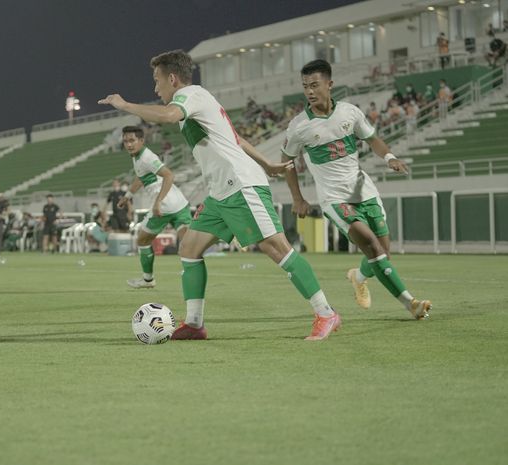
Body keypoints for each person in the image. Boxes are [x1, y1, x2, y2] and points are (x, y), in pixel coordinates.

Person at [99, 50, 341, 341]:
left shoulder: (191, 96)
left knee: (276, 248)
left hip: (241, 185)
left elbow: (167, 115)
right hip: (219, 193)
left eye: (157, 80)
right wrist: (266, 162)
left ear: (172, 78)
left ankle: (326, 313)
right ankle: (194, 324)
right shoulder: (197, 102)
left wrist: (125, 105)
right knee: (189, 248)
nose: (155, 88)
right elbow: (234, 138)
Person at [280, 60, 432, 321]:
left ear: (330, 84)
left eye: (315, 85)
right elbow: (286, 162)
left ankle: (358, 276)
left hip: (363, 190)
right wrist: (297, 198)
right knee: (371, 245)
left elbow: (372, 139)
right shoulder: (299, 126)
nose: (310, 92)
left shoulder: (350, 113)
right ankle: (411, 304)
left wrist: (390, 158)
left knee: (383, 252)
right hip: (334, 198)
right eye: (305, 87)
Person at [118, 125, 192, 289]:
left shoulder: (146, 157)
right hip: (181, 203)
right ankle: (192, 274)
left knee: (142, 240)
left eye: (132, 140)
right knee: (187, 245)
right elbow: (141, 178)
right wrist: (127, 196)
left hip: (164, 208)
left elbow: (169, 175)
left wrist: (158, 202)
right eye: (125, 141)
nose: (128, 144)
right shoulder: (138, 157)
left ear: (141, 140)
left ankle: (148, 280)